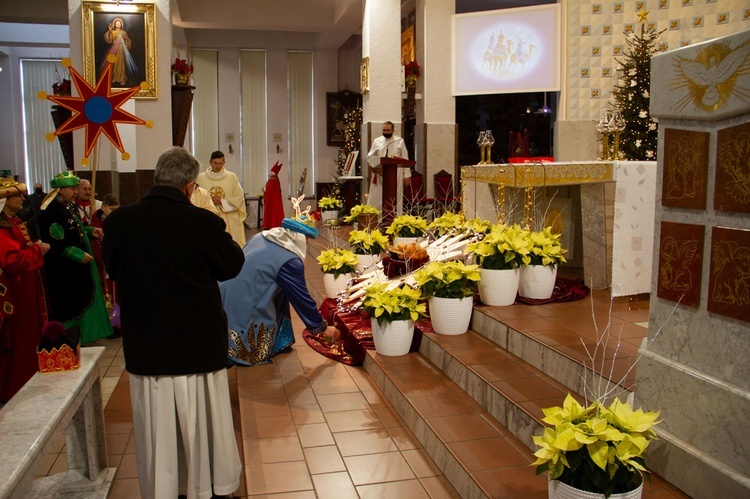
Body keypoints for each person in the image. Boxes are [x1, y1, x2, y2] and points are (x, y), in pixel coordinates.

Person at [102, 147, 245, 499]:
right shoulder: (202, 222)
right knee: (200, 426)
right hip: (196, 346)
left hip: (147, 347)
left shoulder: (118, 222)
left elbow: (113, 270)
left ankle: (164, 488)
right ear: (188, 186)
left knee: (157, 429)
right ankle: (205, 485)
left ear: (155, 179)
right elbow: (232, 265)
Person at [221, 196, 339, 366]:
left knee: (281, 292)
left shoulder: (262, 237)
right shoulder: (290, 260)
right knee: (250, 338)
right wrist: (322, 328)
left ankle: (279, 339)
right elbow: (301, 298)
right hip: (246, 301)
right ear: (299, 237)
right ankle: (247, 352)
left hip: (228, 291)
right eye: (306, 239)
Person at [39, 171, 112, 344]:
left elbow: (75, 228)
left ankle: (86, 335)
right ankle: (69, 337)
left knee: (85, 297)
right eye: (72, 189)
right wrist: (78, 255)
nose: (75, 192)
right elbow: (57, 241)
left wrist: (90, 231)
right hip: (65, 269)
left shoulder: (67, 206)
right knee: (71, 303)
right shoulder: (51, 210)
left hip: (78, 268)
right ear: (61, 190)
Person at [0, 178, 49, 402]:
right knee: (19, 339)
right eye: (17, 195)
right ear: (4, 200)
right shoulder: (1, 228)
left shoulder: (14, 221)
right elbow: (11, 260)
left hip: (26, 288)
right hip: (15, 292)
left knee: (30, 336)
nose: (22, 199)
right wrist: (36, 251)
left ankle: (29, 379)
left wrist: (33, 248)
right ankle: (16, 388)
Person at [196, 151, 247, 247]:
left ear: (224, 163)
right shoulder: (200, 178)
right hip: (208, 217)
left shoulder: (232, 177)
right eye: (215, 163)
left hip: (228, 219)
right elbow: (196, 197)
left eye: (220, 163)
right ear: (210, 162)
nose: (218, 166)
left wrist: (222, 201)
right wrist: (209, 201)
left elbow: (239, 198)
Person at [366, 120, 411, 215]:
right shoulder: (377, 141)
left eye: (388, 130)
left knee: (395, 196)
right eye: (384, 130)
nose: (386, 132)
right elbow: (369, 156)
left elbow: (405, 159)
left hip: (396, 174)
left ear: (393, 130)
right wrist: (376, 167)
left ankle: (395, 217)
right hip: (380, 174)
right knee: (378, 197)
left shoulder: (399, 141)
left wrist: (406, 175)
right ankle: (376, 218)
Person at [101, 17, 138, 86]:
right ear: (114, 24)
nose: (118, 24)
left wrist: (126, 39)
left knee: (121, 63)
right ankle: (115, 76)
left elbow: (128, 43)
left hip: (122, 49)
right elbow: (109, 39)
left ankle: (122, 78)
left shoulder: (123, 32)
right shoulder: (112, 31)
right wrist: (109, 31)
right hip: (114, 49)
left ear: (121, 24)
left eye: (119, 23)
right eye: (117, 23)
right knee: (115, 63)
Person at [261, 161, 284, 229]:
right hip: (273, 200)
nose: (270, 173)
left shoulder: (273, 180)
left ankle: (271, 224)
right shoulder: (275, 180)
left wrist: (265, 189)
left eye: (271, 172)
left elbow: (269, 189)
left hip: (272, 201)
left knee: (272, 212)